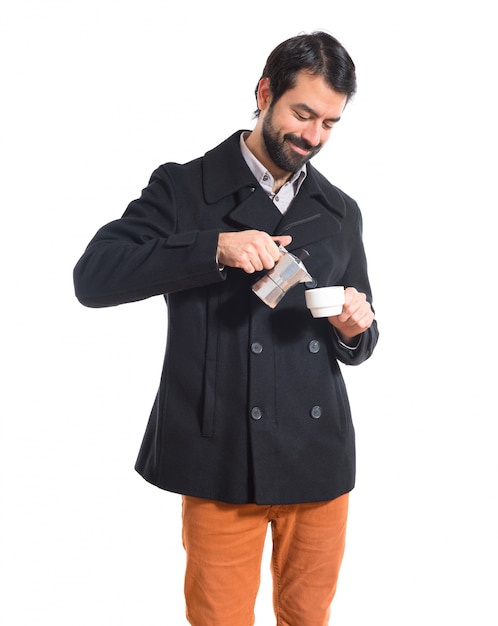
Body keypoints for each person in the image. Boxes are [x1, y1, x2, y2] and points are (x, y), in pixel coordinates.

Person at [74, 31, 379, 626]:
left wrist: (354, 325)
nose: (313, 137)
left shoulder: (342, 210)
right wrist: (213, 247)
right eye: (303, 113)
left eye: (330, 123)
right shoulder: (184, 188)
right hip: (220, 458)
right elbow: (94, 278)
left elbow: (361, 340)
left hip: (317, 459)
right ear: (265, 93)